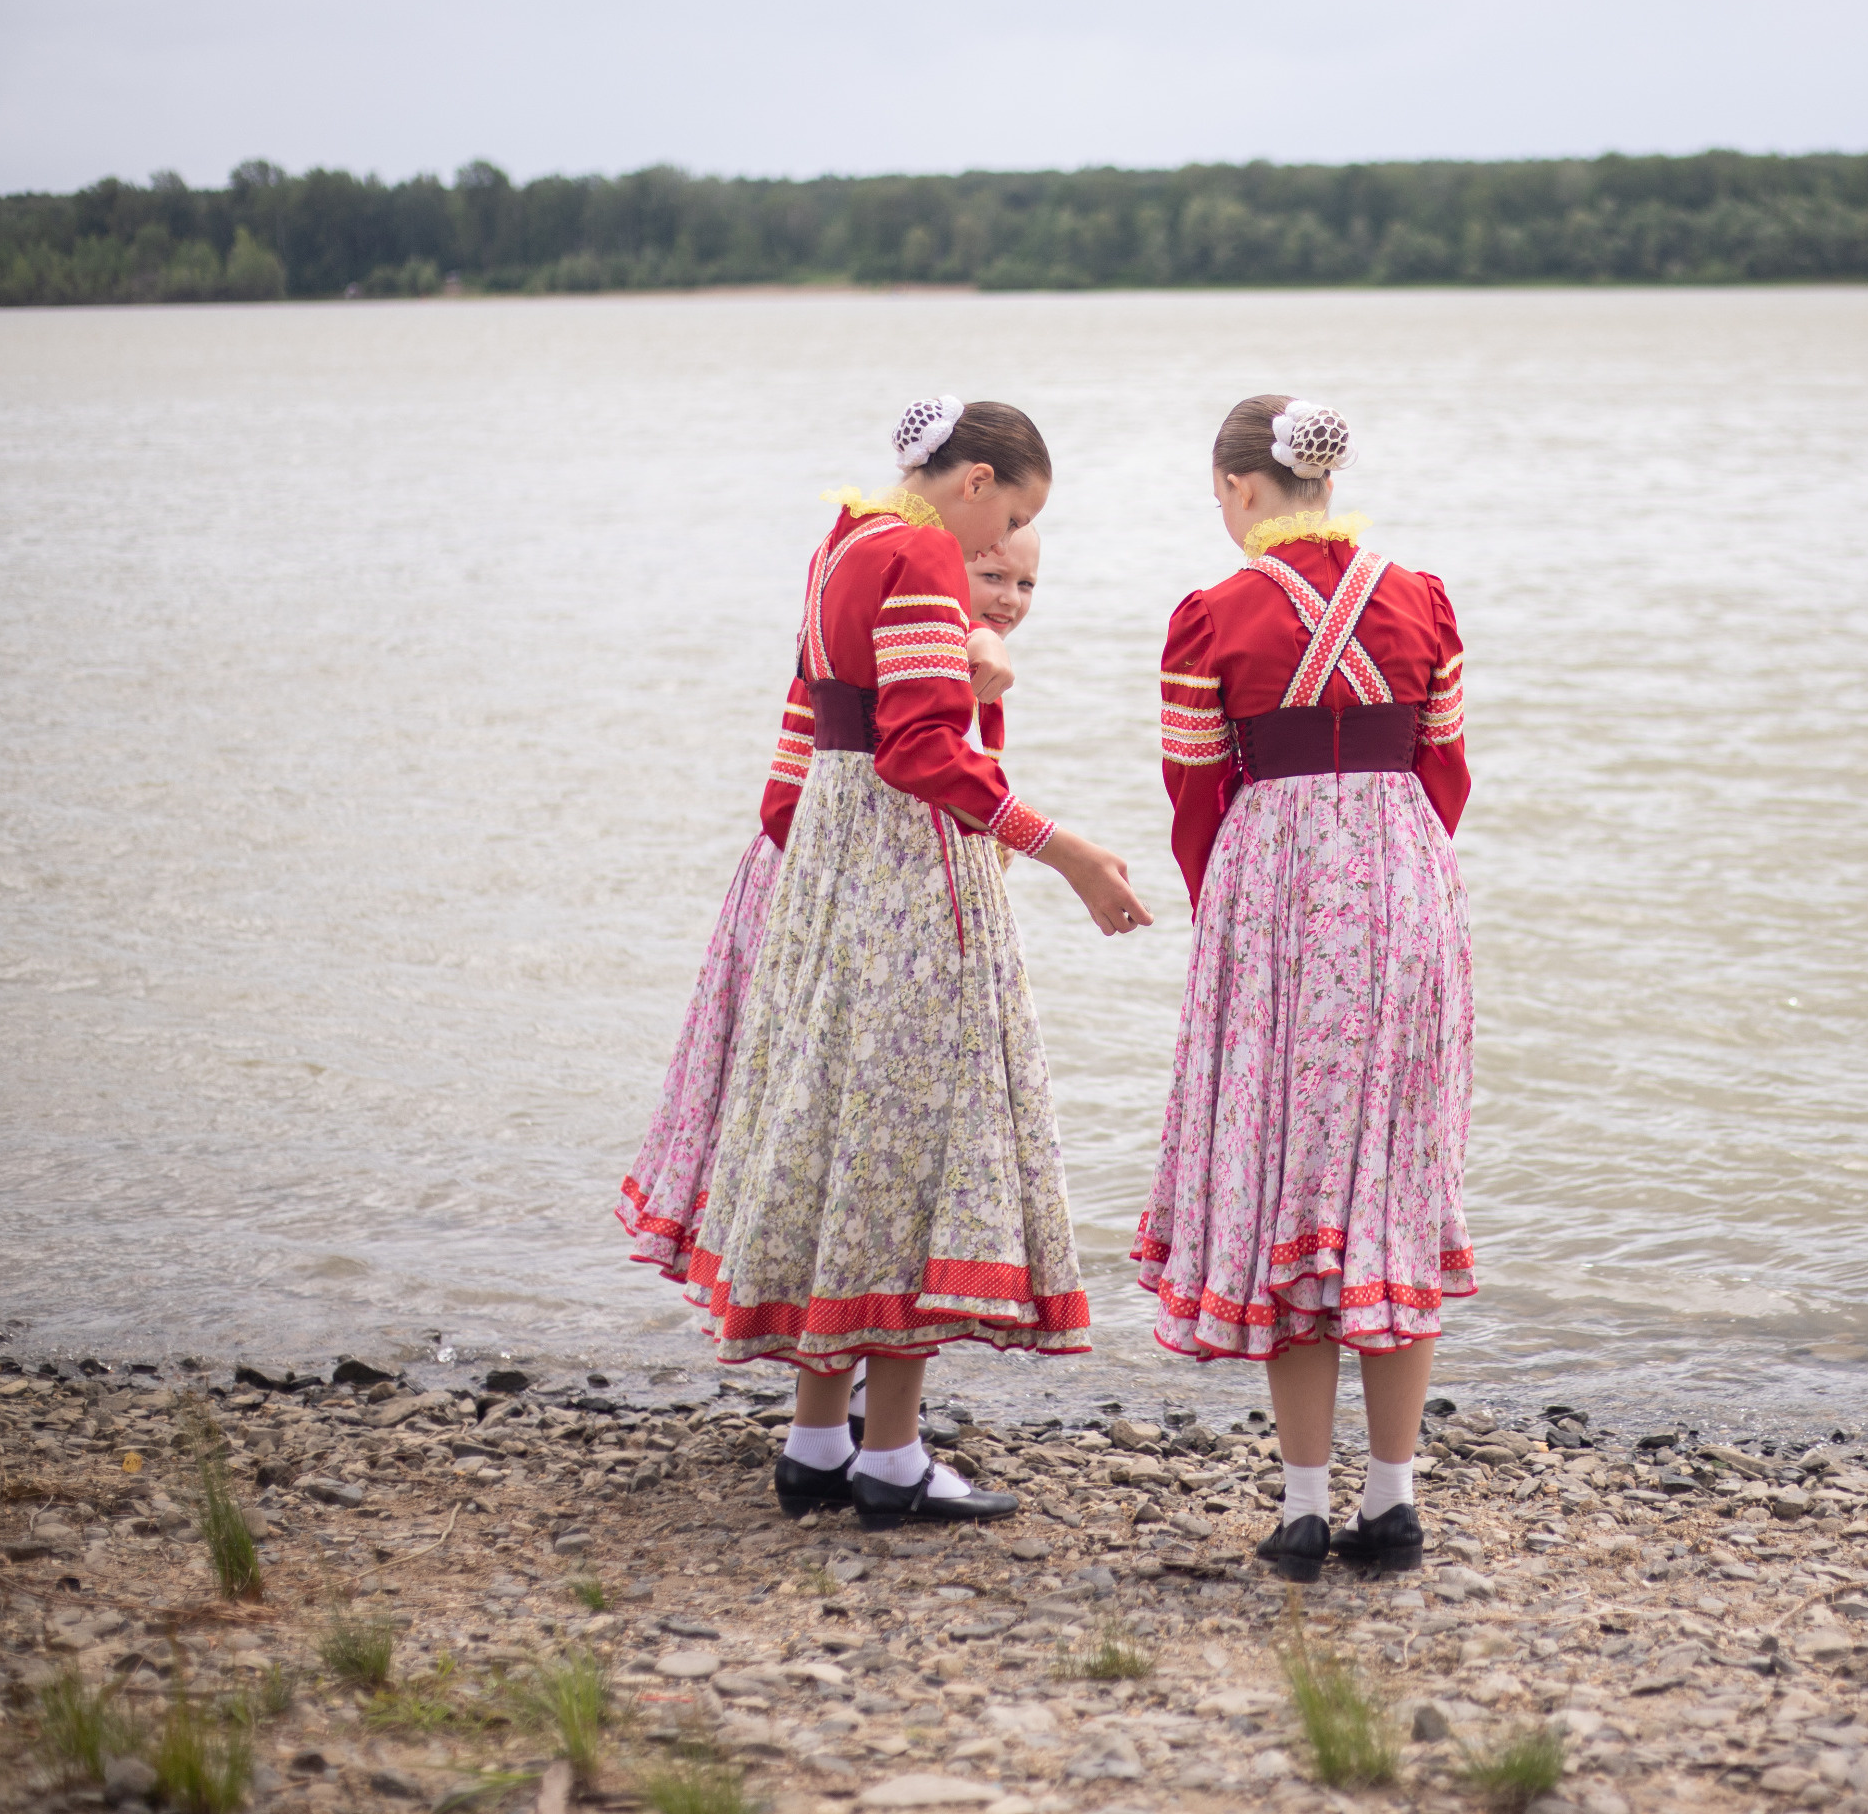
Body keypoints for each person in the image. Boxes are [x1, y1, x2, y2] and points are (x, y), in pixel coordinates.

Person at [686, 398, 1149, 1531]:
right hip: (908, 870)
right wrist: (1070, 851)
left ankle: (814, 1438)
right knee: (914, 1143)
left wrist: (799, 869)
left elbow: (814, 724)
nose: (1001, 547)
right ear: (976, 477)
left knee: (846, 1132)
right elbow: (924, 748)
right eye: (1016, 513)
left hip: (834, 872)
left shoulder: (843, 541)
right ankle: (889, 1457)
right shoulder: (924, 552)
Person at [1135, 395, 1473, 1582]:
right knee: (1390, 1182)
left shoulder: (1208, 616)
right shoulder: (1423, 597)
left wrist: (1227, 911)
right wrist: (1394, 876)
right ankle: (1395, 1497)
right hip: (1404, 891)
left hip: (1272, 899)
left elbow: (1193, 795)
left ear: (1240, 489)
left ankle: (1303, 1501)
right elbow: (1446, 769)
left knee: (1289, 1187)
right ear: (1327, 482)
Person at [615, 526, 1043, 1444]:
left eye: (1025, 584)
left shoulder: (854, 607)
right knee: (851, 1135)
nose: (1006, 596)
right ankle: (851, 1403)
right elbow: (820, 787)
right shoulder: (916, 640)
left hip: (810, 879)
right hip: (819, 896)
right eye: (990, 571)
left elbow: (797, 779)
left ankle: (832, 1397)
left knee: (822, 1140)